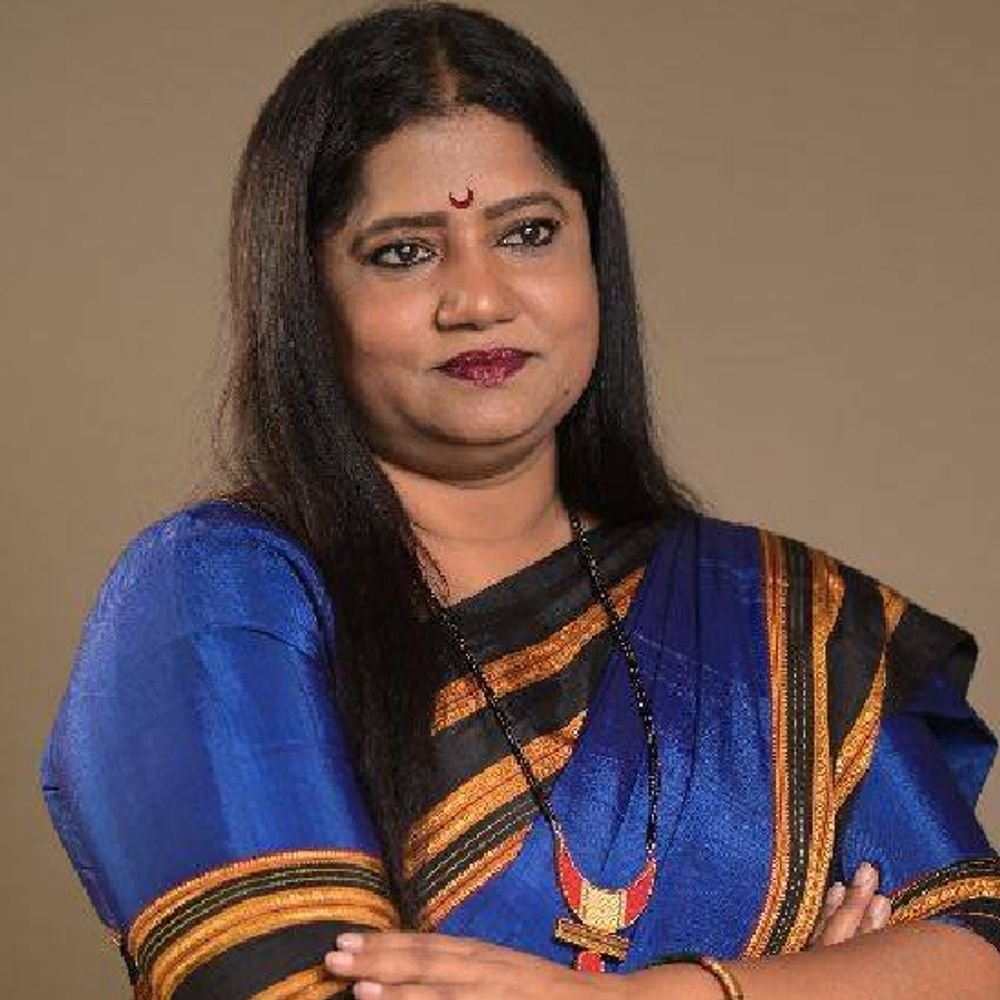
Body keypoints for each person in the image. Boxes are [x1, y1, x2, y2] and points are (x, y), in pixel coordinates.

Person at [39, 3, 1000, 998]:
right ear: (307, 294)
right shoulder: (218, 594)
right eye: (404, 251)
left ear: (595, 255)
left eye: (528, 233)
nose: (481, 299)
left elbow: (974, 951)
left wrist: (653, 995)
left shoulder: (777, 618)